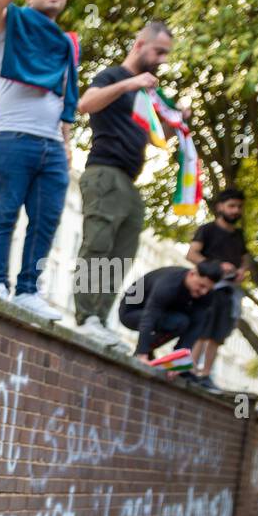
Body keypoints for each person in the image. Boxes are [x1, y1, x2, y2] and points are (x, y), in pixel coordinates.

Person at [72, 21, 182, 348]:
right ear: (139, 44)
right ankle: (85, 316)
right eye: (158, 51)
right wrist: (130, 83)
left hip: (130, 183)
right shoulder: (114, 77)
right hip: (105, 172)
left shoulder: (145, 95)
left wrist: (176, 124)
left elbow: (155, 136)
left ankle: (99, 318)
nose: (162, 59)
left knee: (121, 256)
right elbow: (86, 103)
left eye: (166, 54)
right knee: (97, 247)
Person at [0, 0, 76, 322]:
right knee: (4, 213)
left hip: (51, 146)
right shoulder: (11, 24)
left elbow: (64, 96)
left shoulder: (64, 45)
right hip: (10, 137)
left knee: (45, 222)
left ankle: (28, 289)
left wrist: (66, 146)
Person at [185, 188, 252, 390]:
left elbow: (245, 260)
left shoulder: (239, 236)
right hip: (207, 288)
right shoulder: (207, 229)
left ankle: (205, 374)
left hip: (228, 293)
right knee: (201, 330)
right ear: (220, 207)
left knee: (217, 334)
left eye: (239, 207)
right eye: (231, 206)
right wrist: (217, 266)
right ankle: (189, 370)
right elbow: (191, 255)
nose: (235, 210)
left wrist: (242, 271)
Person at [118, 261, 223, 364]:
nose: (203, 292)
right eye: (201, 286)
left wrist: (178, 362)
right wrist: (142, 353)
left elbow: (195, 327)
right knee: (180, 322)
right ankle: (143, 352)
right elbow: (149, 318)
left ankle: (161, 357)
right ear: (192, 274)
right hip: (131, 312)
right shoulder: (169, 284)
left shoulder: (205, 293)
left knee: (190, 320)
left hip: (162, 314)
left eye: (208, 289)